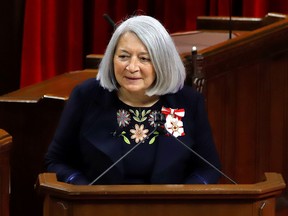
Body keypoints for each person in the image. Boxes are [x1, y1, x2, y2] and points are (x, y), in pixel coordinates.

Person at [45, 15, 221, 185]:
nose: (131, 67)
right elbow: (55, 161)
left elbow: (208, 169)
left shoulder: (187, 102)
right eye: (123, 56)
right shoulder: (87, 96)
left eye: (144, 58)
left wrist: (182, 200)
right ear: (111, 58)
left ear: (162, 63)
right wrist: (82, 192)